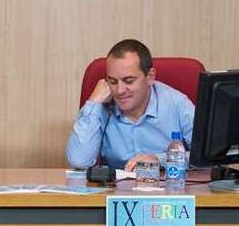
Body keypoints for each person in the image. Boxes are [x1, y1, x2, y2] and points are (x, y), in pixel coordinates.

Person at [66, 39, 194, 171]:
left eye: (128, 81)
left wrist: (159, 160)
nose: (119, 90)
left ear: (150, 76)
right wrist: (94, 102)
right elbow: (78, 161)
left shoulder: (177, 104)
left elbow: (204, 159)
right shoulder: (100, 107)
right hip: (114, 183)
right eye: (113, 82)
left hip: (167, 182)